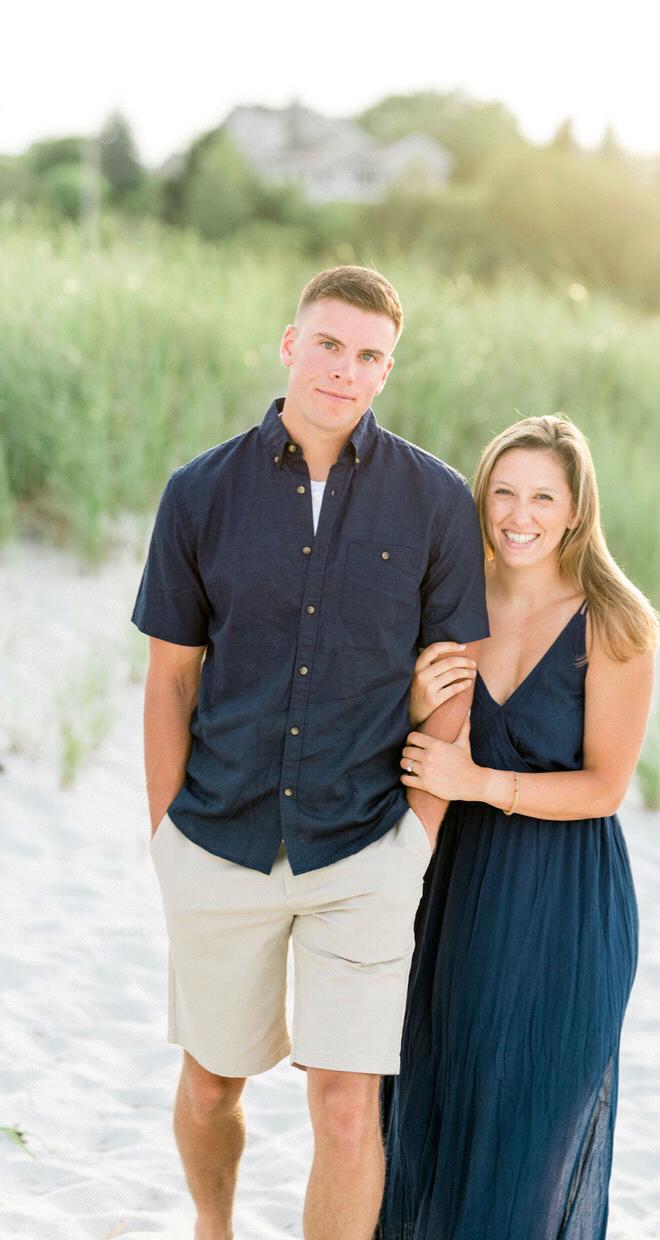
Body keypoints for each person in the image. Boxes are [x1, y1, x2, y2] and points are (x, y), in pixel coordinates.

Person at [131, 265, 489, 1240]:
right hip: (217, 837)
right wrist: (166, 834)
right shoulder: (200, 492)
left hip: (364, 849)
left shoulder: (435, 500)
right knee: (211, 1083)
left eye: (369, 355)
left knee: (345, 1105)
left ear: (387, 371)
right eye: (328, 344)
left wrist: (415, 837)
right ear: (291, 345)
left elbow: (453, 680)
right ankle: (214, 1229)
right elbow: (170, 680)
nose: (345, 369)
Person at [379, 414, 660, 1240]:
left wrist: (478, 782)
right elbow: (401, 748)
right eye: (503, 492)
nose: (519, 514)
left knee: (524, 1145)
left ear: (575, 510)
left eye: (543, 497)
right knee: (429, 1114)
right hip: (452, 893)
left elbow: (605, 788)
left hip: (564, 904)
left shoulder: (613, 622)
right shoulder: (447, 600)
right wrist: (411, 704)